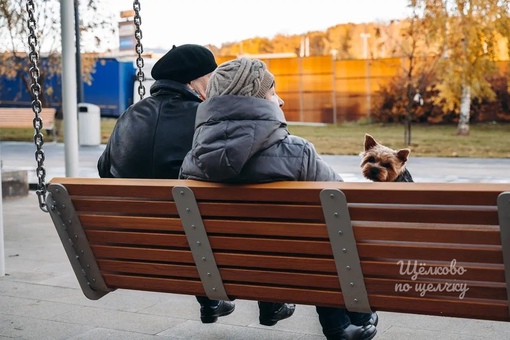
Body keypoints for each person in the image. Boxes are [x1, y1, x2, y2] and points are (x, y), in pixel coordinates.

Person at [179, 57, 378, 340]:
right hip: (296, 269)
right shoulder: (298, 153)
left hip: (225, 271)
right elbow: (345, 206)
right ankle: (344, 325)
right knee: (332, 241)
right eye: (273, 93)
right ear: (257, 101)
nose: (281, 101)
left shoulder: (192, 161)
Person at [97, 44, 235, 324]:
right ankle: (270, 303)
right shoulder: (206, 118)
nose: (218, 85)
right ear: (193, 82)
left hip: (133, 240)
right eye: (213, 78)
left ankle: (211, 303)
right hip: (196, 239)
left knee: (187, 214)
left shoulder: (129, 116)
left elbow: (104, 168)